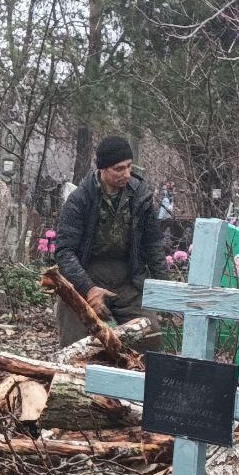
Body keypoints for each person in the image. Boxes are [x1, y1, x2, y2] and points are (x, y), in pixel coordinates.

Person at [54, 134, 167, 346]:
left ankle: (137, 377)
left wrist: (165, 293)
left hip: (127, 280)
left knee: (150, 338)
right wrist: (88, 289)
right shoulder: (80, 199)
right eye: (118, 168)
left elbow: (153, 244)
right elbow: (64, 251)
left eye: (129, 166)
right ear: (103, 168)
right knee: (76, 345)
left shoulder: (140, 195)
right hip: (85, 276)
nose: (126, 174)